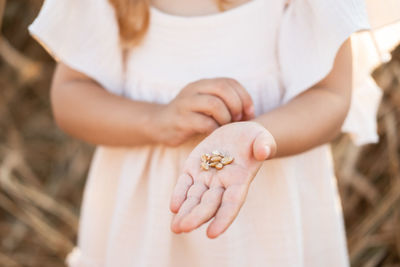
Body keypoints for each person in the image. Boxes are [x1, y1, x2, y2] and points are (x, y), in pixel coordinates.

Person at [28, 0, 381, 266]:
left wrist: (256, 136)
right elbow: (70, 96)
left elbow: (330, 95)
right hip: (144, 218)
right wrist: (157, 120)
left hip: (271, 212)